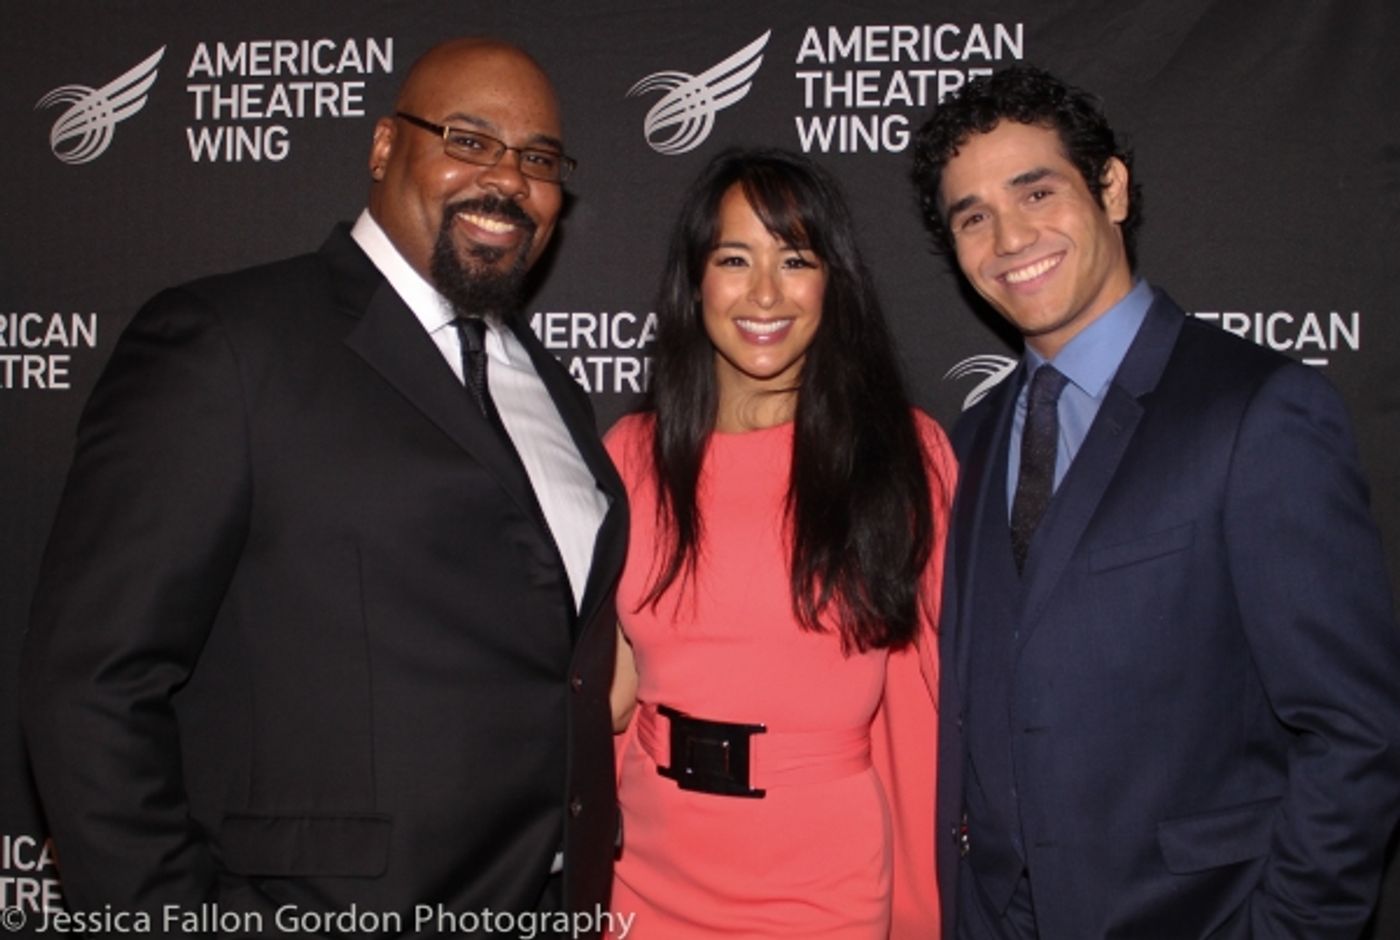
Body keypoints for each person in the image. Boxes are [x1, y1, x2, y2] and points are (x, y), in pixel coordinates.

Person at [22, 38, 628, 935]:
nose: (507, 178)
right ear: (384, 147)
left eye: (539, 159)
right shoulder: (227, 344)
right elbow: (92, 685)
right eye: (469, 138)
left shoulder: (555, 390)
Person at [911, 65, 1400, 939]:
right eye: (972, 217)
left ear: (1112, 188)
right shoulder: (974, 436)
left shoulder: (1258, 411)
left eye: (1036, 191)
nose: (1009, 237)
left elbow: (1355, 732)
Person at [604, 147, 954, 938]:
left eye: (795, 259)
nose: (765, 292)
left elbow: (946, 690)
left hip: (821, 889)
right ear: (696, 281)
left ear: (834, 281)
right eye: (735, 258)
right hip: (642, 881)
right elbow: (609, 694)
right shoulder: (629, 455)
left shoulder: (903, 455)